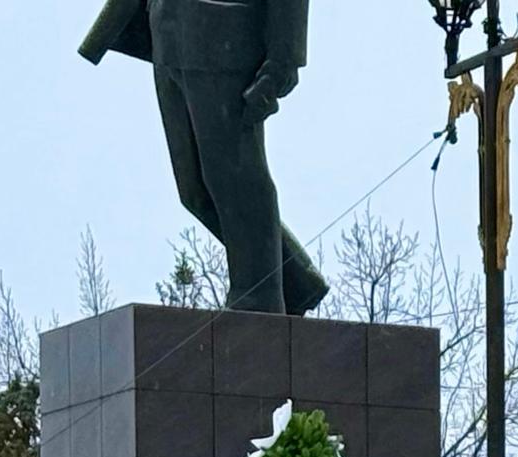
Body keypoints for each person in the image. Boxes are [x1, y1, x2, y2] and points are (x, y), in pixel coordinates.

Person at [78, 0, 329, 314]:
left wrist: (283, 59)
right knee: (195, 190)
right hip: (167, 36)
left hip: (225, 33)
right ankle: (295, 281)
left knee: (235, 177)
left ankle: (259, 297)